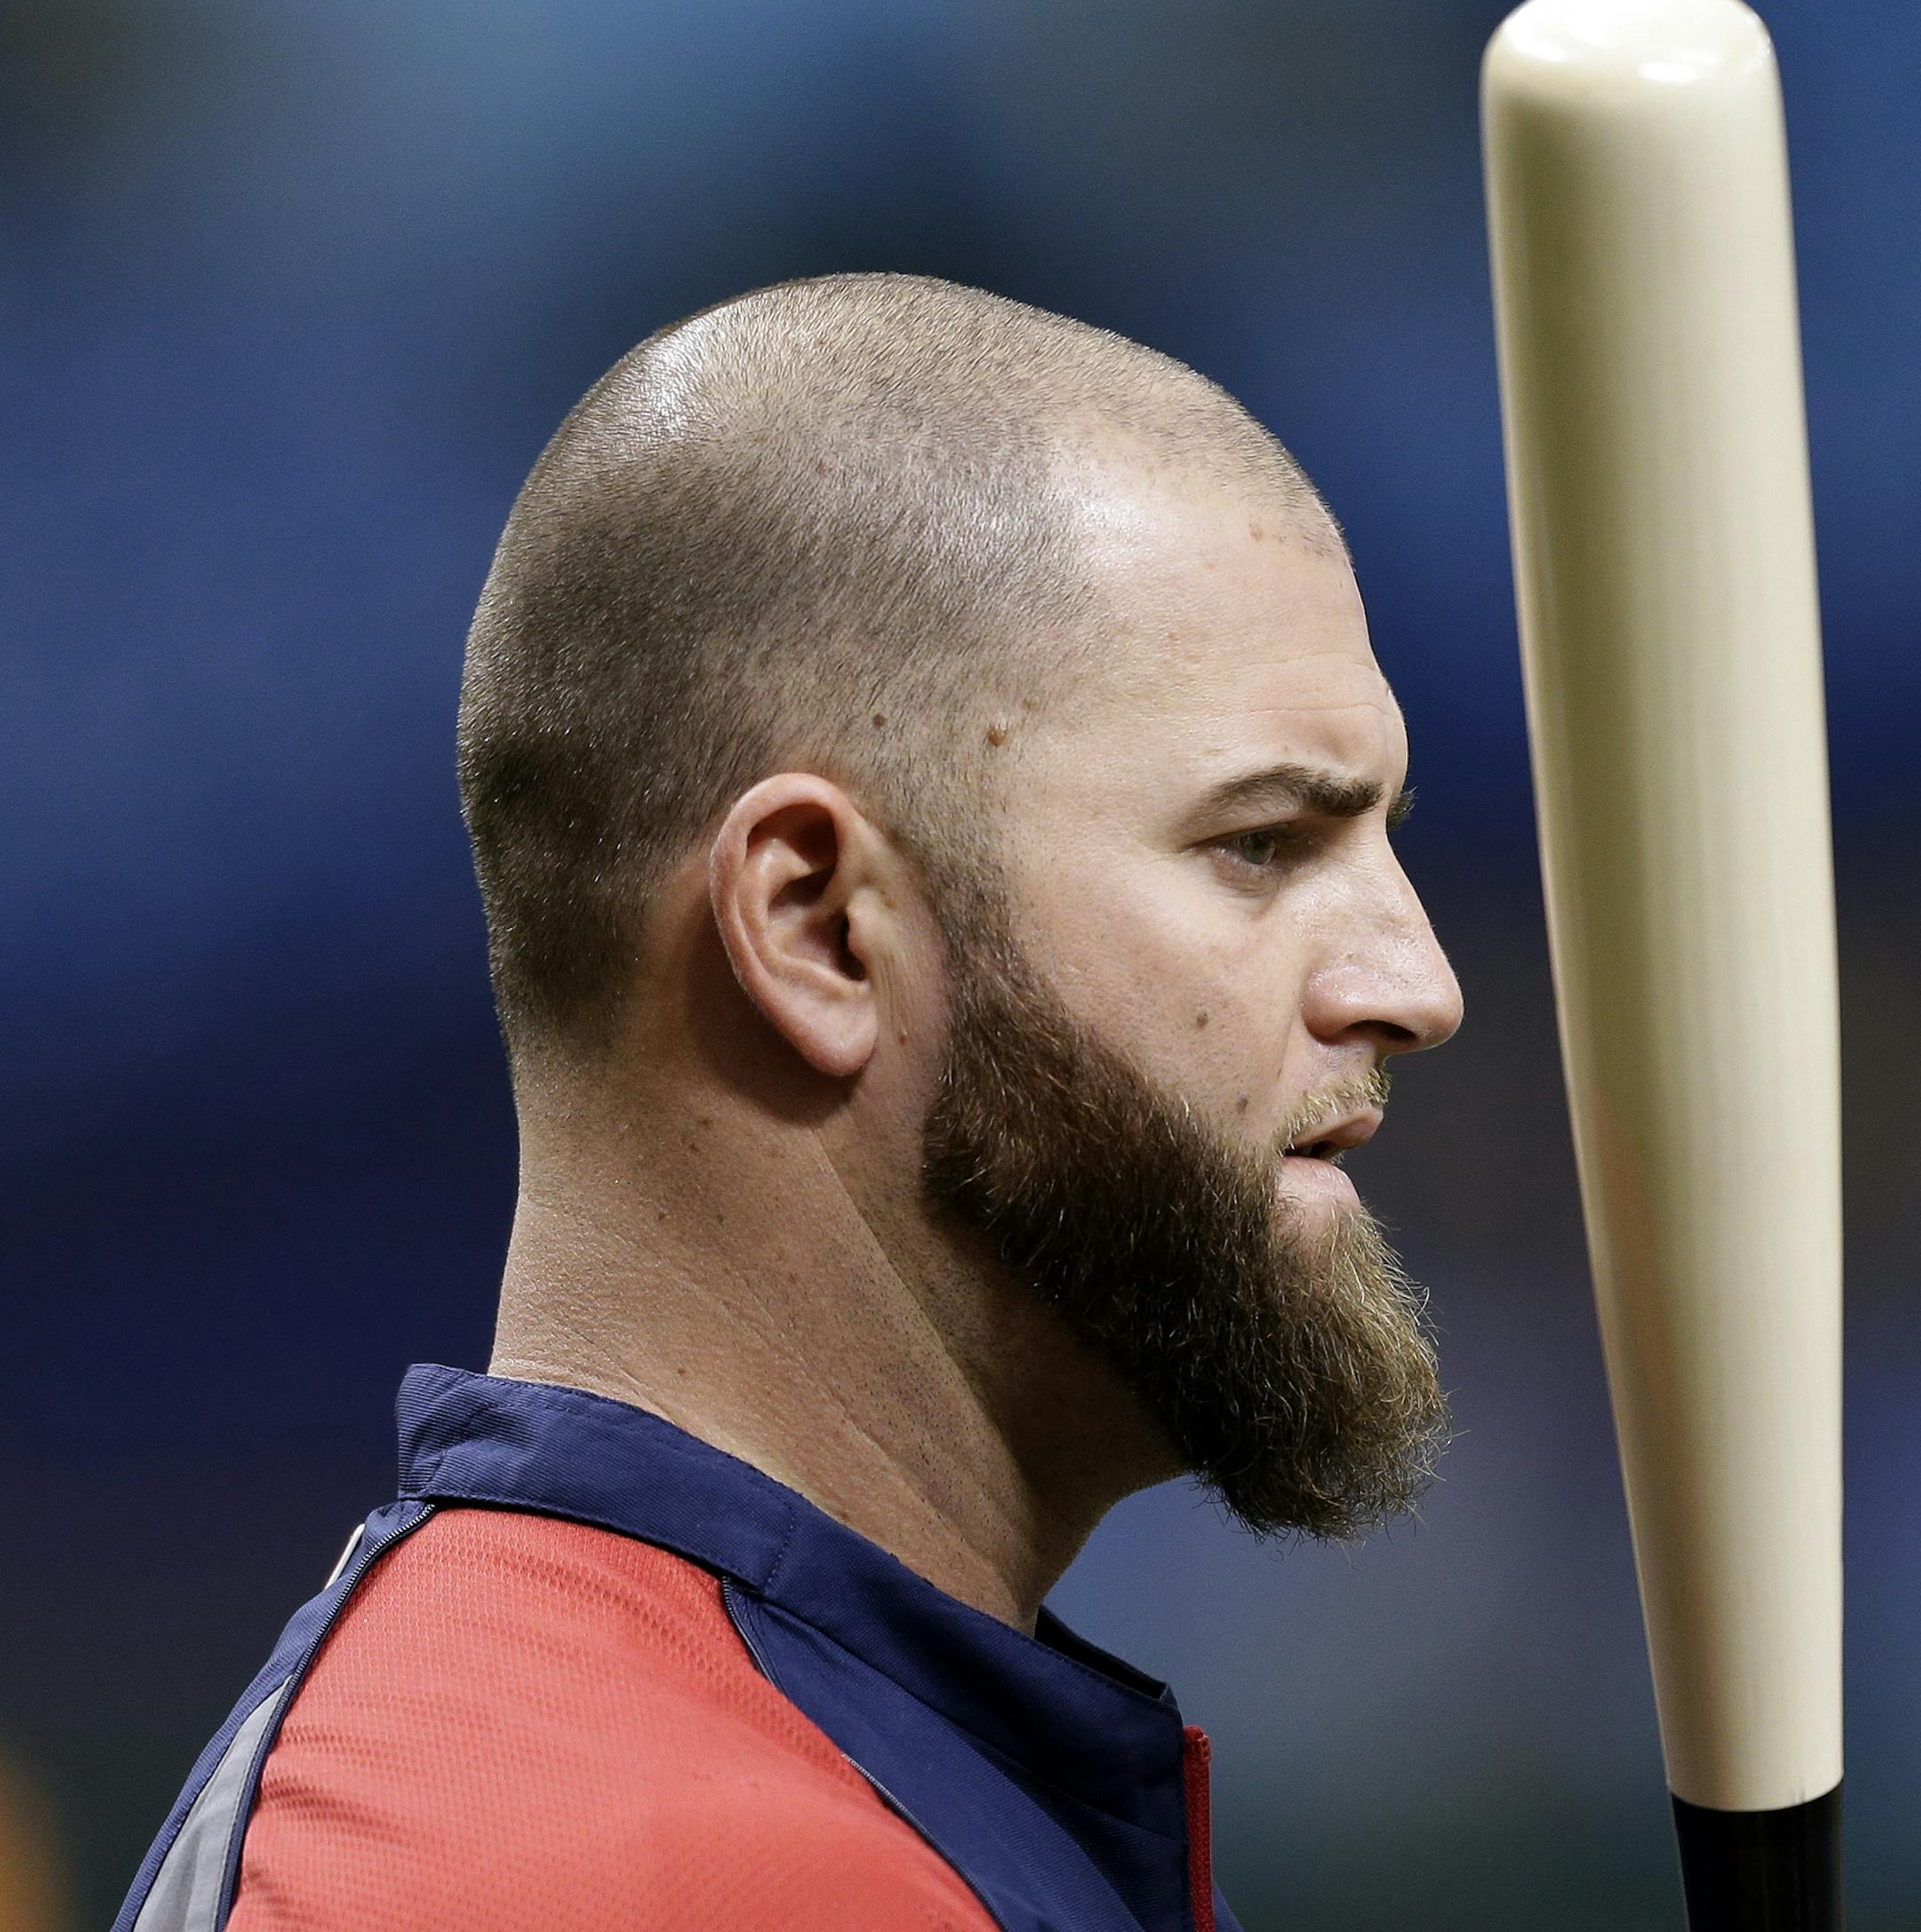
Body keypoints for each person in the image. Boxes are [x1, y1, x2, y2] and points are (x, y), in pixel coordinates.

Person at [115, 273, 1463, 1932]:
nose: (1417, 981)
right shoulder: (547, 1865)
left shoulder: (776, 1778)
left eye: (1388, 835)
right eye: (1261, 842)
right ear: (818, 925)